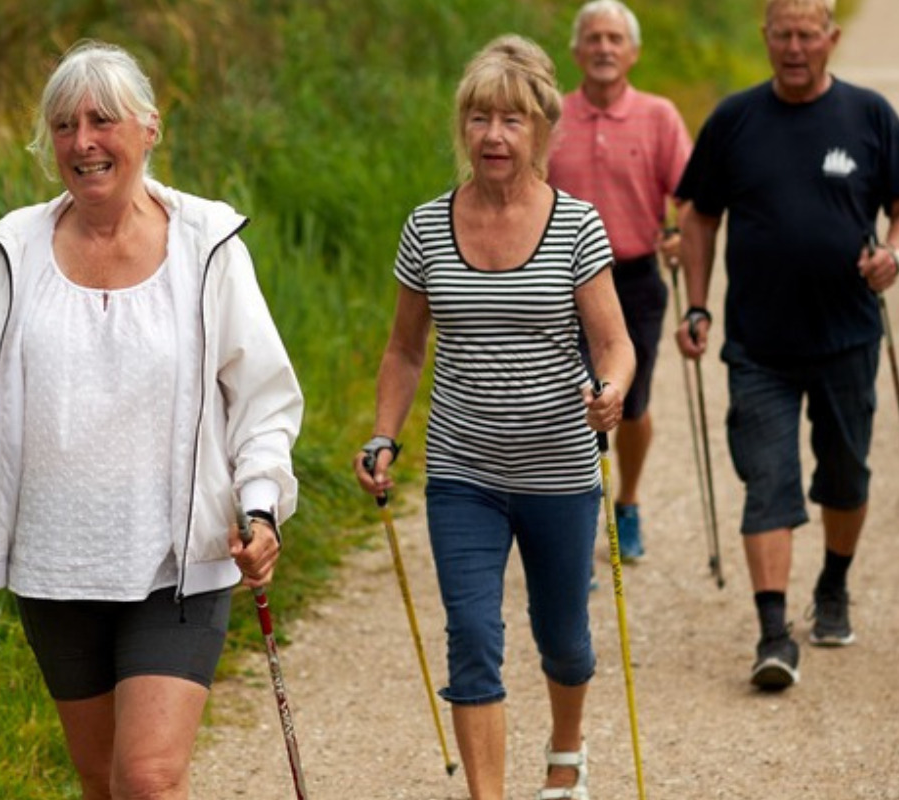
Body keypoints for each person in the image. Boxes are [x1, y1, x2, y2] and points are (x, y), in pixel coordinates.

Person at [0, 40, 303, 798]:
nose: (83, 142)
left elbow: (261, 397)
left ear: (149, 128)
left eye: (102, 120)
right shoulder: (14, 251)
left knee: (147, 778)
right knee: (100, 780)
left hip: (180, 560)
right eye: (64, 126)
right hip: (57, 562)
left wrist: (262, 504)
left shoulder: (207, 246)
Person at [354, 34, 635, 800]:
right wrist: (384, 434)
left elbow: (614, 343)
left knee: (563, 639)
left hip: (560, 471)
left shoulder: (576, 226)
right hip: (463, 473)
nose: (493, 136)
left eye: (511, 120)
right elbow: (404, 349)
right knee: (473, 637)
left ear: (542, 129)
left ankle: (567, 751)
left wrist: (611, 389)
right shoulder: (427, 227)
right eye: (479, 118)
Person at [674, 0, 899, 691]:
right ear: (765, 38)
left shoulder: (869, 116)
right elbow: (698, 215)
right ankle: (773, 634)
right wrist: (697, 304)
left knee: (845, 477)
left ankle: (834, 584)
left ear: (831, 38)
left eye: (806, 35)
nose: (793, 47)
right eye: (781, 35)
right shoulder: (734, 119)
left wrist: (894, 256)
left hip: (848, 336)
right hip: (758, 343)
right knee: (768, 482)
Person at [547, 0, 693, 562]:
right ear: (576, 51)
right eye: (594, 38)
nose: (604, 48)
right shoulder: (551, 117)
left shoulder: (659, 116)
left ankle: (627, 503)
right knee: (568, 406)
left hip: (634, 279)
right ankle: (576, 527)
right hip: (558, 284)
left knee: (628, 403)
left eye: (615, 39)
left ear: (632, 52)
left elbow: (690, 195)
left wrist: (679, 234)